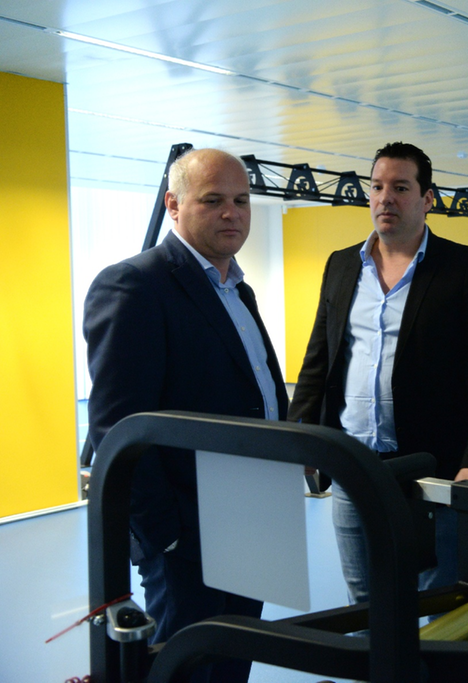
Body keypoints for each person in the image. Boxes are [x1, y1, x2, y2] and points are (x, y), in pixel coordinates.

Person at [83, 148, 288, 683]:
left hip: (254, 514)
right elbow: (117, 425)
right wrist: (166, 534)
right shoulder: (135, 285)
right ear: (173, 205)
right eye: (213, 200)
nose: (232, 213)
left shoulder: (236, 287)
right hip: (188, 532)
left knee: (234, 661)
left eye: (242, 200)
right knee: (187, 668)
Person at [288, 142, 468, 604]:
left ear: (427, 199)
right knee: (365, 598)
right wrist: (302, 437)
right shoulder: (341, 264)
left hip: (435, 468)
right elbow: (319, 359)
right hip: (353, 464)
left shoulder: (463, 266)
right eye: (376, 187)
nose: (385, 198)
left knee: (441, 598)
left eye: (400, 187)